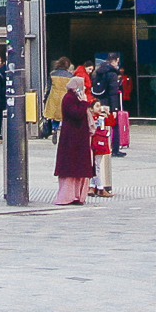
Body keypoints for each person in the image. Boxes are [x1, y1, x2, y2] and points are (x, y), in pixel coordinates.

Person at [54, 75, 94, 204]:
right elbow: (76, 114)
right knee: (72, 167)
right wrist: (84, 103)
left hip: (78, 139)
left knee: (78, 168)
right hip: (71, 139)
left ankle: (78, 195)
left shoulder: (74, 98)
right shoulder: (69, 98)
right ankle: (68, 196)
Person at [92, 53, 126, 157]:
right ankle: (115, 149)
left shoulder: (97, 72)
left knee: (99, 125)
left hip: (98, 102)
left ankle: (98, 145)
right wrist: (114, 109)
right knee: (114, 125)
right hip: (108, 103)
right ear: (115, 61)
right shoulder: (112, 74)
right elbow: (113, 93)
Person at [41, 57, 72, 140]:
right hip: (65, 97)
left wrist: (45, 97)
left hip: (54, 97)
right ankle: (63, 132)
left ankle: (54, 129)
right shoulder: (70, 76)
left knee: (55, 116)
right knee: (65, 115)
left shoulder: (52, 74)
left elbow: (48, 88)